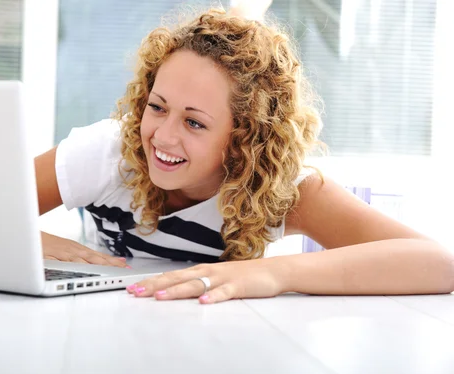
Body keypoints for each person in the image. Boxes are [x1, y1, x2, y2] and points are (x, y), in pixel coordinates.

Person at [34, 8, 454, 304]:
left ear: (245, 137)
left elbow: (438, 264)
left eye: (194, 123)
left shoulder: (282, 191)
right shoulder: (109, 152)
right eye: (157, 106)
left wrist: (273, 273)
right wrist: (29, 242)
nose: (162, 136)